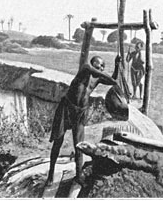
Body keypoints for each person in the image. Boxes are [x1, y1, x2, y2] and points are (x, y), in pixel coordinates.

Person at [46, 55, 121, 186]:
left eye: (103, 66)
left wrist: (117, 65)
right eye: (98, 65)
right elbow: (108, 78)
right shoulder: (85, 69)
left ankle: (78, 176)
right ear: (91, 65)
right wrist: (112, 80)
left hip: (81, 112)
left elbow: (112, 79)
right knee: (58, 141)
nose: (101, 68)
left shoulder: (97, 79)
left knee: (79, 144)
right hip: (66, 108)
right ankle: (50, 175)